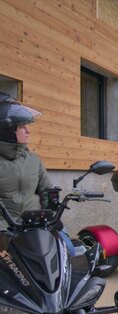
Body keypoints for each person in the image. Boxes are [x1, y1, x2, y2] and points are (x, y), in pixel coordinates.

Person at [0, 92, 75, 255]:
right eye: (22, 127)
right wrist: (2, 230)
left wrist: (50, 217)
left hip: (36, 224)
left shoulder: (34, 160)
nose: (28, 131)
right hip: (5, 227)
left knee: (69, 251)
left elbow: (46, 191)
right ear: (7, 130)